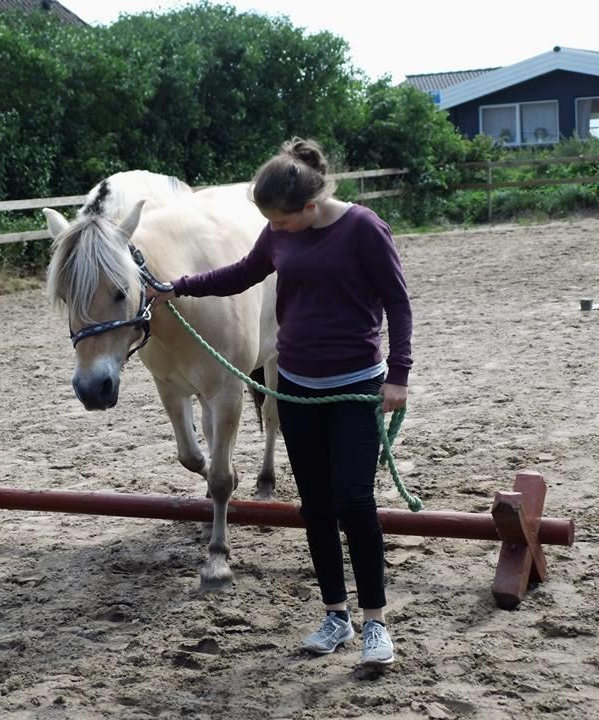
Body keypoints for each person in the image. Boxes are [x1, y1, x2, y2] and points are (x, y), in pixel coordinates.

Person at [147, 138, 412, 666]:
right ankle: (335, 614)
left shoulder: (363, 228)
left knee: (355, 502)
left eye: (282, 222)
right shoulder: (278, 231)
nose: (276, 230)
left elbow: (398, 302)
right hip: (294, 385)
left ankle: (375, 623)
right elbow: (241, 273)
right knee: (315, 505)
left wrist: (398, 376)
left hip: (356, 384)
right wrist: (177, 286)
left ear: (310, 207)